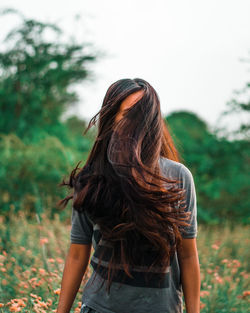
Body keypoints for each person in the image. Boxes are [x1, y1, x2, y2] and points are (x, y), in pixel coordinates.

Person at [56, 78, 200, 313]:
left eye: (139, 115)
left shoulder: (178, 177)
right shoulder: (92, 179)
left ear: (152, 121)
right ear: (111, 120)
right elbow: (76, 255)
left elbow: (188, 256)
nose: (132, 124)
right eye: (125, 115)